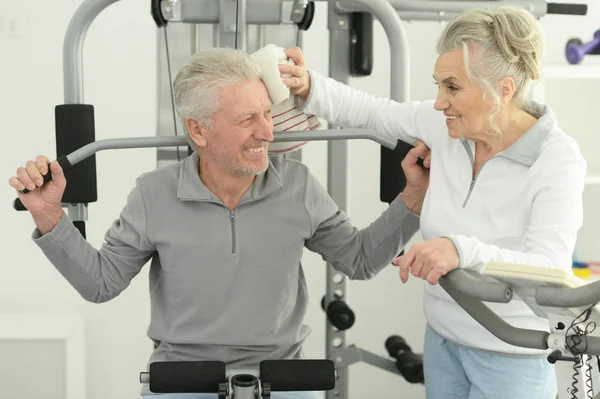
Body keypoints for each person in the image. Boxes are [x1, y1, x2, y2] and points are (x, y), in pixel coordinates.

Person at [8, 48, 430, 399]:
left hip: (281, 376)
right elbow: (101, 283)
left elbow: (359, 260)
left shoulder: (298, 184)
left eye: (267, 113)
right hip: (183, 379)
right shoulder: (153, 194)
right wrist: (49, 216)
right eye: (248, 120)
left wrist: (413, 196)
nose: (267, 132)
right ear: (198, 130)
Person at [279, 6, 586, 399]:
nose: (439, 102)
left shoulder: (556, 158)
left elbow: (550, 268)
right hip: (443, 339)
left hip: (512, 353)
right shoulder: (446, 128)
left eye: (452, 87)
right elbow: (375, 113)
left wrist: (462, 250)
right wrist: (308, 86)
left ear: (503, 91)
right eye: (438, 85)